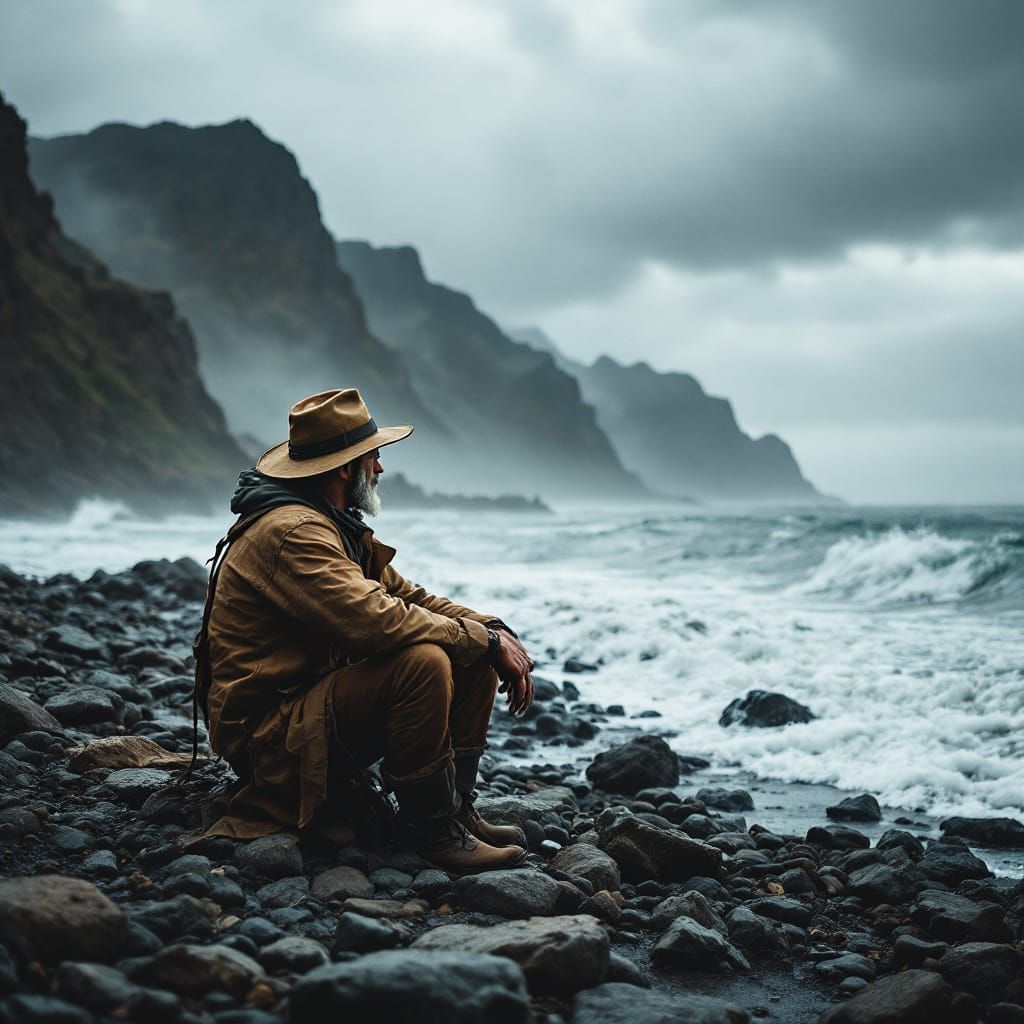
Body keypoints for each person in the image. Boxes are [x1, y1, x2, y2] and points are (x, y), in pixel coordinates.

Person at [199, 388, 535, 872]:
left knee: (464, 646)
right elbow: (377, 622)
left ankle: (454, 810)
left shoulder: (330, 523)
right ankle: (432, 831)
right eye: (374, 457)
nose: (379, 469)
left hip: (305, 705)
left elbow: (409, 596)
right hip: (269, 736)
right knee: (424, 660)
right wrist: (481, 639)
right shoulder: (294, 533)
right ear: (345, 468)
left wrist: (492, 630)